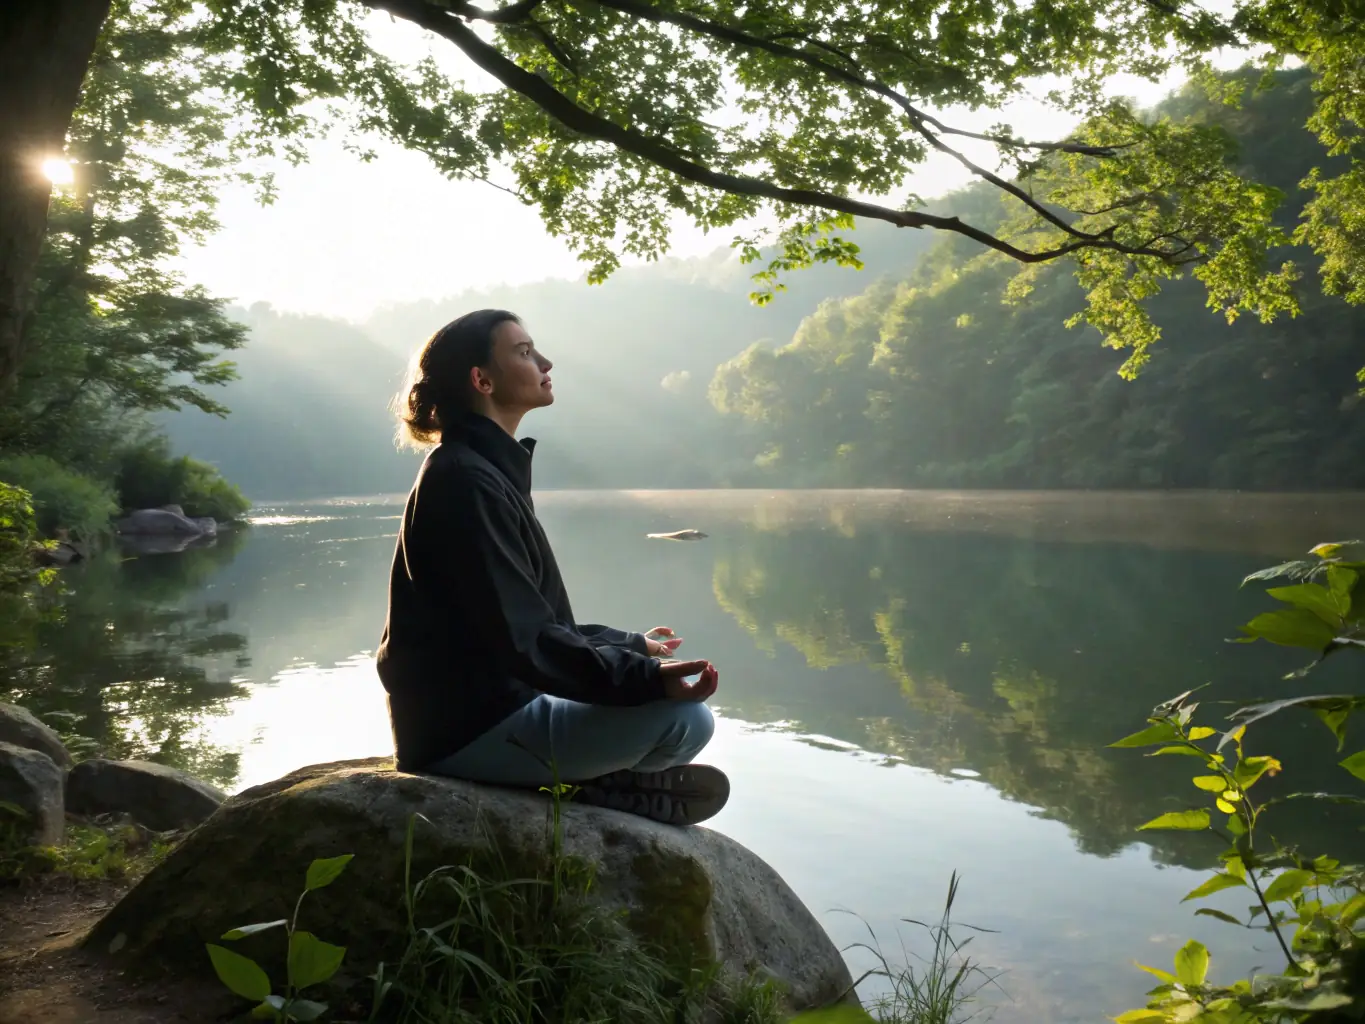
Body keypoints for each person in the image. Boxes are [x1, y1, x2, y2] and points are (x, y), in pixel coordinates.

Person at [376, 309, 729, 826]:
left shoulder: (483, 469)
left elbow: (524, 621)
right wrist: (645, 679)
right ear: (482, 379)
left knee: (682, 717)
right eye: (523, 352)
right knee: (684, 719)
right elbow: (525, 639)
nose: (545, 361)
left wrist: (630, 646)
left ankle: (604, 781)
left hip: (489, 711)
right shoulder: (465, 479)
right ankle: (602, 785)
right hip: (463, 733)